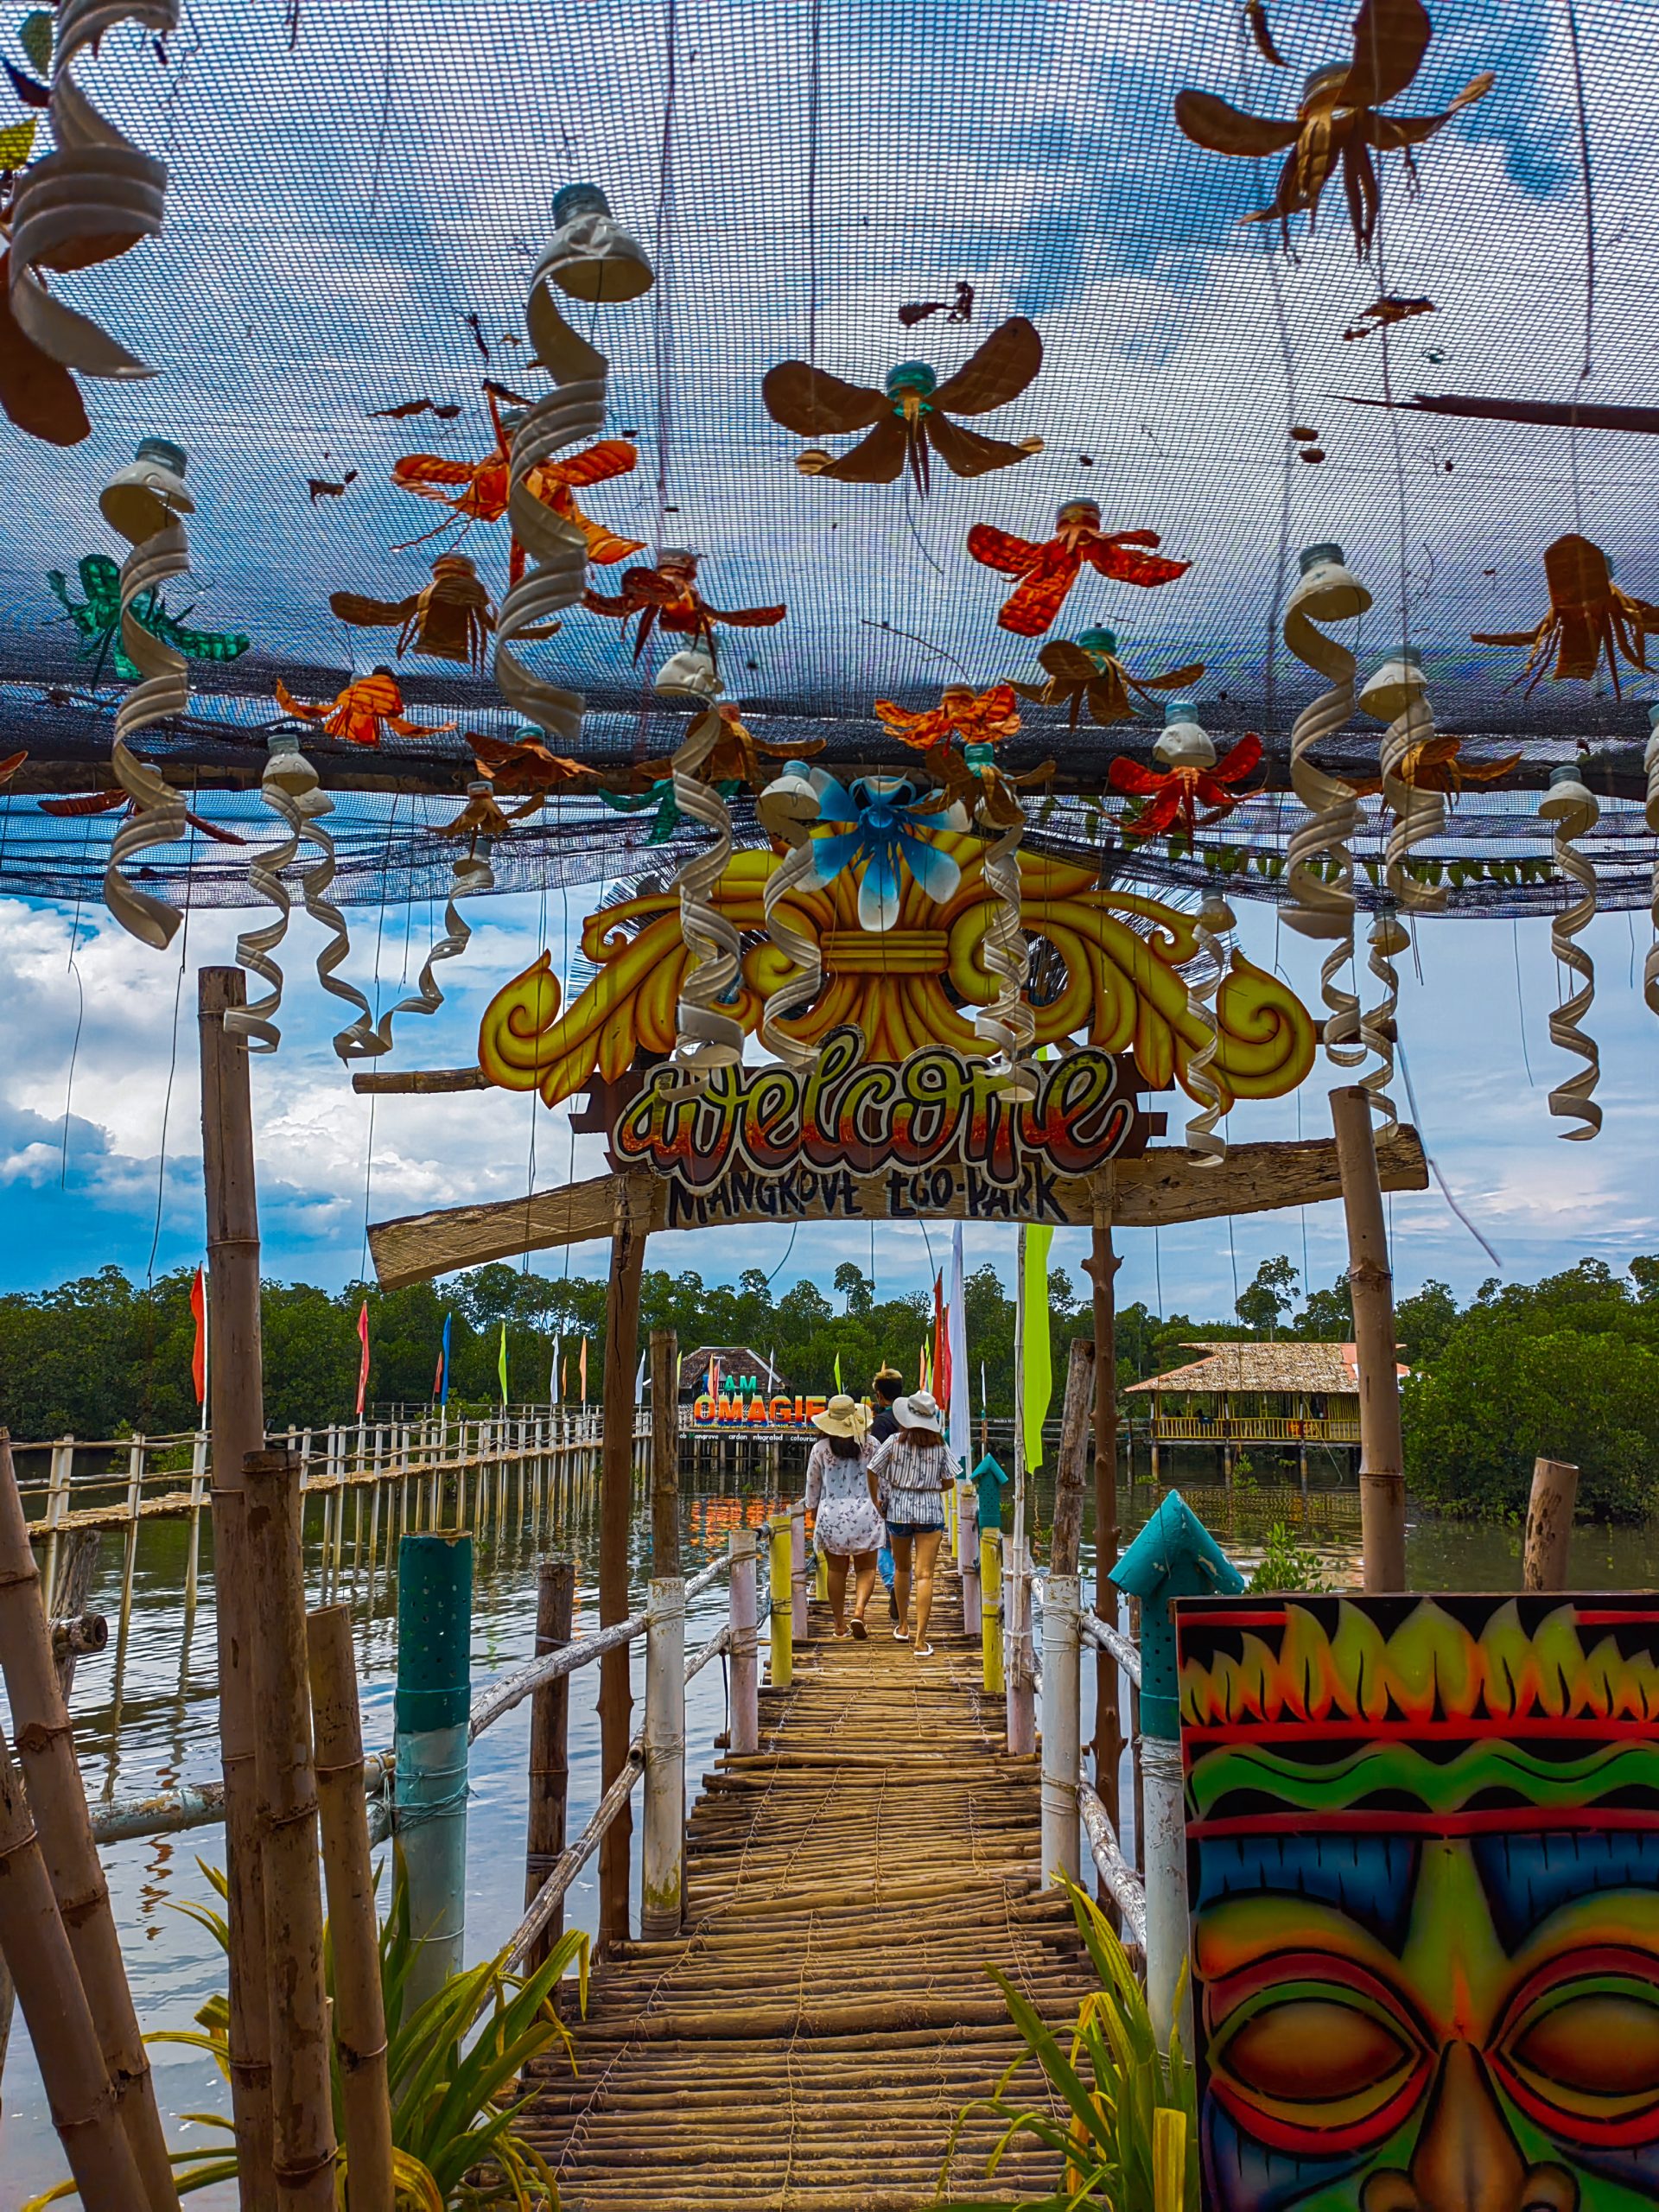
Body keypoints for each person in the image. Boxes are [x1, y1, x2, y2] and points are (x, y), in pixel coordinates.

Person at [869, 1389, 954, 1658]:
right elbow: (950, 1481)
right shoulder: (940, 1446)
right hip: (930, 1511)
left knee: (902, 1569)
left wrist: (876, 1500)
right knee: (925, 1574)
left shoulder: (894, 1442)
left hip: (898, 1509)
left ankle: (904, 1625)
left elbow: (872, 1469)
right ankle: (920, 1640)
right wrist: (929, 1488)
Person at [803, 1394, 883, 1639]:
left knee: (836, 1572)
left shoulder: (820, 1449)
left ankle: (839, 1624)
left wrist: (813, 1512)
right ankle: (858, 1611)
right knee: (866, 1568)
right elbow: (883, 1480)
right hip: (865, 1513)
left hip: (832, 1516)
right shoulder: (872, 1445)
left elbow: (812, 1486)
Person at [868, 1364, 905, 1616]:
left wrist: (875, 1498)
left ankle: (892, 1585)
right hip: (912, 1492)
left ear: (880, 1396)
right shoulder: (912, 1419)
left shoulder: (881, 1423)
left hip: (887, 1491)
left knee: (883, 1546)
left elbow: (876, 1462)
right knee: (904, 1550)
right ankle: (901, 1588)